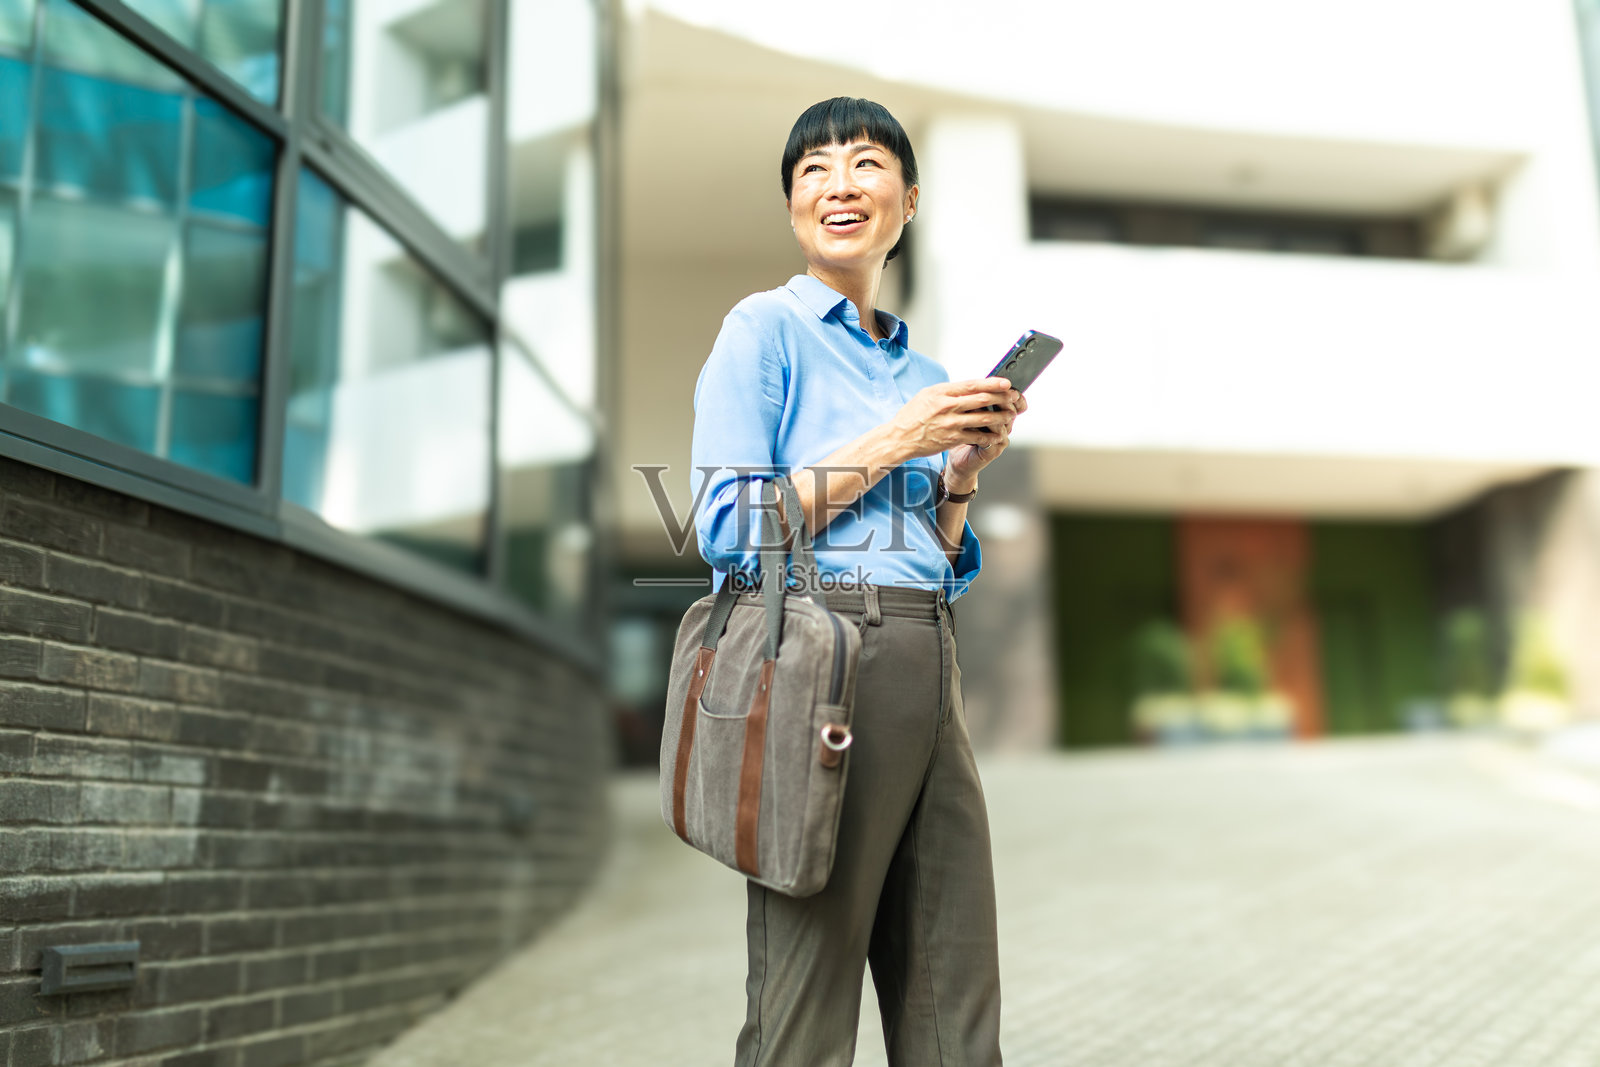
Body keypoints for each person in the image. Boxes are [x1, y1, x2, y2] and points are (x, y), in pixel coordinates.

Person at [691, 96, 1025, 1067]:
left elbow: (932, 550)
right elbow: (728, 527)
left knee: (955, 1008)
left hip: (929, 664)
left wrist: (957, 476)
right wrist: (900, 440)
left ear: (907, 199)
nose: (840, 182)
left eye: (867, 163)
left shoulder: (919, 367)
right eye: (814, 169)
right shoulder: (763, 332)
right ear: (794, 205)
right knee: (806, 1007)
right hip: (820, 664)